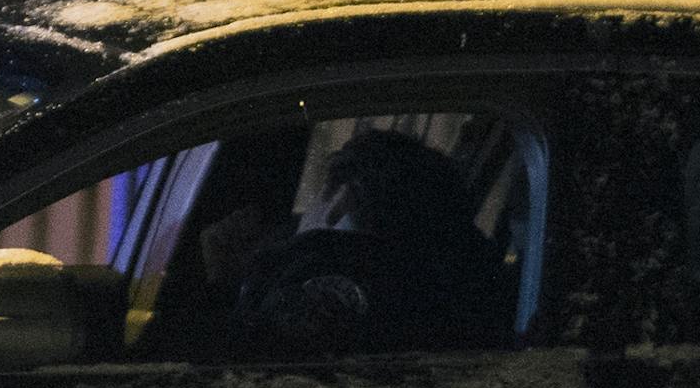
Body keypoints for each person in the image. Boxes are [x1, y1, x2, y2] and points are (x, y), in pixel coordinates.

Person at [199, 127, 512, 357]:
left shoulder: (303, 272)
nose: (300, 219)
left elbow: (220, 374)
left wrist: (228, 285)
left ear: (340, 200)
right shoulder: (447, 301)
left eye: (313, 201)